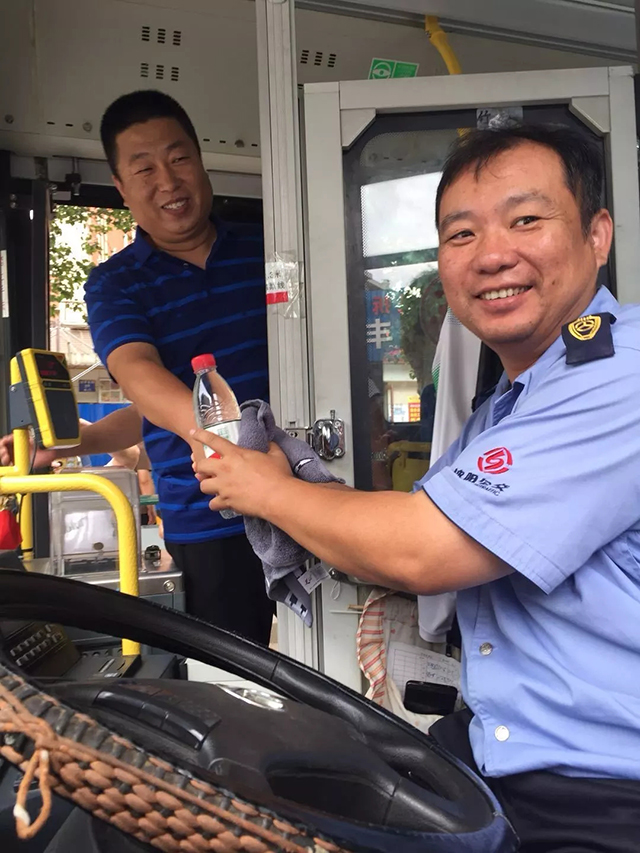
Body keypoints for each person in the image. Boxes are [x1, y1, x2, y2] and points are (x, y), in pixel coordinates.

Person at [192, 125, 640, 851]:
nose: (492, 254)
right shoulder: (510, 403)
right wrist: (293, 481)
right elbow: (416, 521)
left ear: (597, 235)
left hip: (602, 790)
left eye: (527, 219)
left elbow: (424, 548)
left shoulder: (619, 374)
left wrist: (267, 492)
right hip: (499, 755)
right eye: (462, 233)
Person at [0, 90, 274, 643]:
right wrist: (227, 445)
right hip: (208, 518)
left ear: (201, 161)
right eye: (144, 168)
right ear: (122, 188)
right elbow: (141, 377)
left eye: (179, 158)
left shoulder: (271, 249)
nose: (168, 182)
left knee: (338, 660)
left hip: (308, 487)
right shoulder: (115, 283)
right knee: (240, 679)